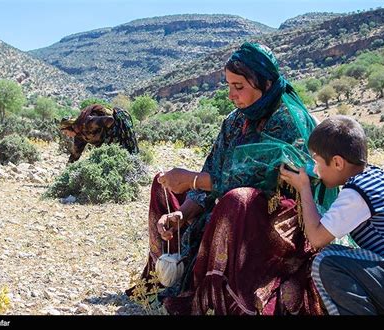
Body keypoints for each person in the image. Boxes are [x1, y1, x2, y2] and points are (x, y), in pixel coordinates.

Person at [127, 42, 337, 315]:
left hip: (273, 217)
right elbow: (214, 167)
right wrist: (184, 215)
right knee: (163, 183)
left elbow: (257, 179)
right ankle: (164, 277)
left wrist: (193, 180)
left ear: (266, 83)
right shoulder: (235, 122)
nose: (231, 95)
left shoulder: (289, 119)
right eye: (228, 85)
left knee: (237, 199)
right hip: (225, 203)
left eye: (239, 87)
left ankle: (220, 298)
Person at [280, 115, 384, 315]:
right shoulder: (378, 176)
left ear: (337, 162)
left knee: (327, 260)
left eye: (317, 162)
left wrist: (304, 189)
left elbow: (317, 239)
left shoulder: (356, 193)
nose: (316, 171)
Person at [59, 104, 139, 163]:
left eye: (66, 132)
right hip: (108, 137)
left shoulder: (87, 123)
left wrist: (107, 134)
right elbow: (75, 155)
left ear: (71, 127)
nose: (67, 135)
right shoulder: (79, 136)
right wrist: (67, 171)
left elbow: (109, 120)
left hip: (119, 121)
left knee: (125, 151)